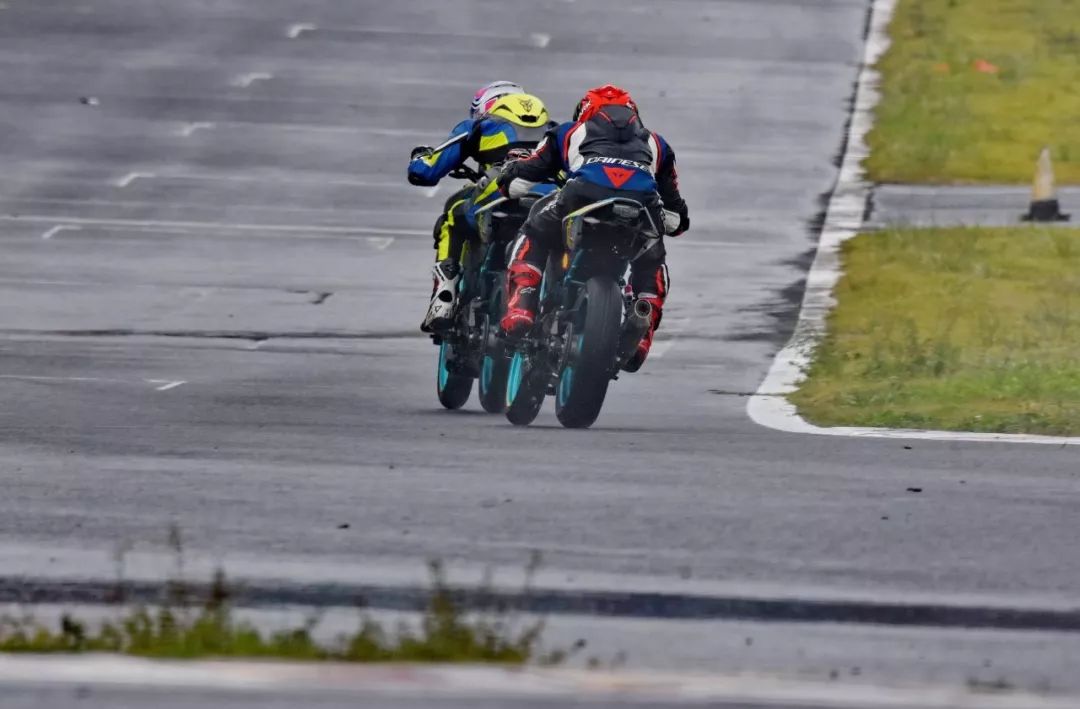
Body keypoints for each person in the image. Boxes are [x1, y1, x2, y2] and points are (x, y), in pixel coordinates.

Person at [495, 84, 689, 371]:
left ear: (584, 112)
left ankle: (522, 305)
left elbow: (517, 183)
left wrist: (508, 173)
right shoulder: (658, 143)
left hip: (583, 195)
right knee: (652, 257)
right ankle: (642, 330)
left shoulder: (568, 132)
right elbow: (676, 221)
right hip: (640, 205)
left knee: (534, 230)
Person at [407, 81, 554, 333]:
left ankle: (444, 297)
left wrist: (419, 158)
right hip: (547, 200)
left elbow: (426, 171)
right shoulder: (554, 131)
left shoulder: (479, 126)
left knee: (453, 213)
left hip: (497, 194)